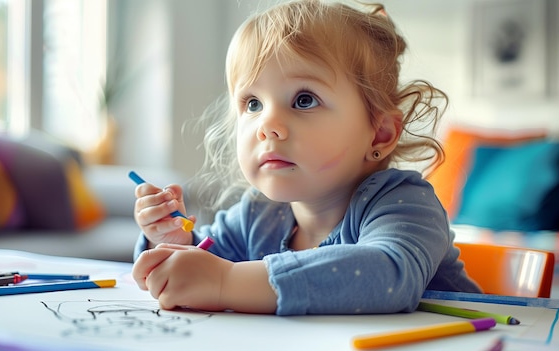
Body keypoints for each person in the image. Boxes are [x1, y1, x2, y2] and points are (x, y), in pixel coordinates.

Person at [131, 0, 481, 316]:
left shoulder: (403, 202)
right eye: (253, 103)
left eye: (304, 100)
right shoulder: (259, 215)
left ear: (380, 133)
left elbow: (389, 273)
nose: (267, 125)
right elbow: (207, 258)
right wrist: (174, 244)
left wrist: (227, 281)